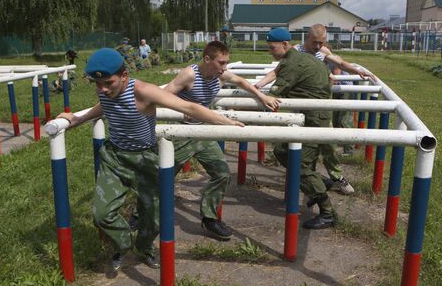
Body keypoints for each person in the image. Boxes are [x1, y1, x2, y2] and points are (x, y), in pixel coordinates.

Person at [57, 48, 244, 271]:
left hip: (145, 159)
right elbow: (104, 106)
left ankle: (144, 248)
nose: (103, 89)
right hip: (114, 158)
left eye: (108, 83)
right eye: (98, 84)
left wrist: (226, 122)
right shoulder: (105, 89)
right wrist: (78, 119)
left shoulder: (144, 91)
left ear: (124, 76)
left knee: (155, 217)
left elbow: (188, 106)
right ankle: (123, 244)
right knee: (101, 214)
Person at [163, 40, 280, 240]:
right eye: (221, 63)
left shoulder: (219, 74)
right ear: (207, 59)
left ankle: (209, 218)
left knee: (222, 174)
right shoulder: (189, 75)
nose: (225, 68)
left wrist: (262, 97)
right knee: (162, 180)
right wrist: (181, 110)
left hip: (203, 132)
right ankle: (140, 216)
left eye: (226, 63)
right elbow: (162, 95)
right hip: (182, 134)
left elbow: (241, 81)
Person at [255, 24, 360, 195]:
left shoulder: (323, 51)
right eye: (315, 42)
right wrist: (258, 86)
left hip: (319, 103)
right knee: (301, 145)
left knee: (327, 143)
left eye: (321, 42)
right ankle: (312, 178)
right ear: (307, 39)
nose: (318, 46)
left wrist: (356, 71)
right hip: (300, 103)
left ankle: (336, 177)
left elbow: (339, 62)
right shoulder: (295, 51)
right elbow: (277, 72)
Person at [261, 28, 337, 229]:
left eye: (272, 47)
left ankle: (328, 212)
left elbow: (273, 97)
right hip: (310, 116)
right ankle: (320, 182)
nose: (270, 51)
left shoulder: (292, 63)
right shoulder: (303, 58)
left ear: (285, 45)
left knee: (301, 166)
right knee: (281, 150)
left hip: (314, 120)